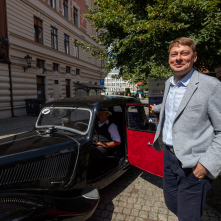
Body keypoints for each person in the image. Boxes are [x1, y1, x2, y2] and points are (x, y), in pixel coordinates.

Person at [150, 37, 221, 220]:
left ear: (194, 57)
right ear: (169, 59)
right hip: (169, 157)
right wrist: (156, 109)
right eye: (174, 54)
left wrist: (206, 165)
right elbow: (173, 107)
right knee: (171, 203)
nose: (178, 58)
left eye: (184, 53)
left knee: (188, 217)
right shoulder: (169, 83)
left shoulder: (211, 86)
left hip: (194, 164)